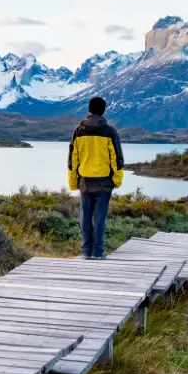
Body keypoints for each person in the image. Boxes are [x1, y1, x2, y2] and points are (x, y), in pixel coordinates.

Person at [67, 96, 124, 259]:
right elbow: (117, 159)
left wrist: (73, 182)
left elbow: (72, 160)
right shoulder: (110, 131)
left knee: (85, 217)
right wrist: (117, 180)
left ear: (89, 110)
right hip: (104, 181)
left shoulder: (78, 131)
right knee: (100, 218)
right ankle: (98, 252)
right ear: (103, 110)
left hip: (85, 181)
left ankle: (86, 251)